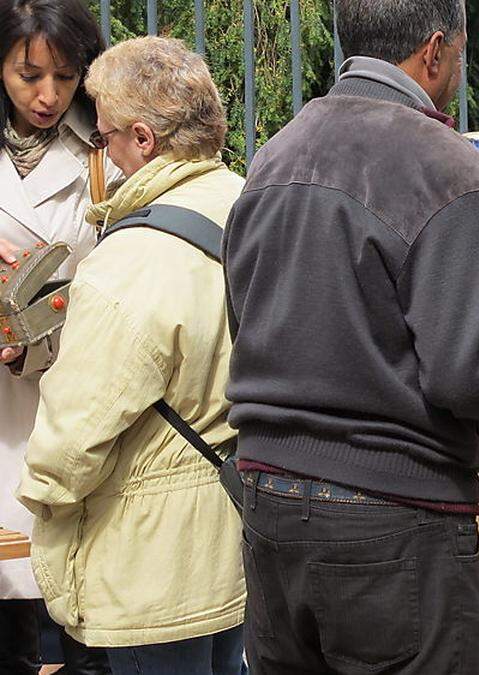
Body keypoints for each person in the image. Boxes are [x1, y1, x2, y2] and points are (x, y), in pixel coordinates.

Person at [221, 0, 479, 671]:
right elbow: (476, 368)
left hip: (270, 505)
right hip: (391, 518)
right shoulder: (444, 166)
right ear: (436, 48)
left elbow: (244, 323)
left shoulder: (274, 154)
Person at [17, 36, 246, 674]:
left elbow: (76, 428)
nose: (104, 151)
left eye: (106, 136)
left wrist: (42, 497)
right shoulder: (249, 205)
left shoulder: (129, 260)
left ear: (143, 139)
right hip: (237, 524)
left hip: (153, 557)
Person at [0, 1, 118, 673]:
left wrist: (36, 329)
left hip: (67, 404)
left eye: (66, 77)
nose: (48, 96)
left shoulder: (105, 156)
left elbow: (126, 285)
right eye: (28, 75)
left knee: (83, 622)